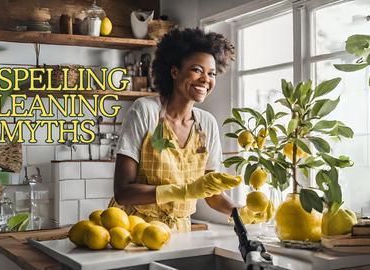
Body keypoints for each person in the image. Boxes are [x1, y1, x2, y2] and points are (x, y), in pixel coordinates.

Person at [109, 27, 274, 233]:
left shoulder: (207, 123)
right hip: (134, 229)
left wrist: (239, 211)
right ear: (174, 71)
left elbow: (210, 193)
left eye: (211, 73)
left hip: (180, 231)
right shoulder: (145, 111)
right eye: (197, 70)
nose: (206, 79)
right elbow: (123, 192)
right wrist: (185, 191)